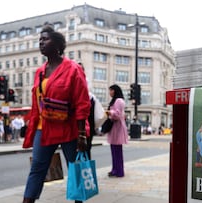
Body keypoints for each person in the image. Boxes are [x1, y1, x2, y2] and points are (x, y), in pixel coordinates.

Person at [22, 25, 90, 203]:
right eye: (40, 40)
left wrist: (82, 134)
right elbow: (37, 102)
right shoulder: (40, 71)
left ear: (58, 44)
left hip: (69, 128)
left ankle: (78, 201)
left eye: (45, 39)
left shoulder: (73, 69)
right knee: (37, 167)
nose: (41, 42)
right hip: (43, 128)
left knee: (75, 169)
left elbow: (82, 103)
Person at [105, 84, 128, 177]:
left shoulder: (119, 101)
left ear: (115, 91)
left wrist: (109, 112)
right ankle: (115, 169)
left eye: (111, 90)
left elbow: (118, 114)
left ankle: (119, 171)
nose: (110, 92)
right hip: (114, 127)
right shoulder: (115, 100)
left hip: (117, 128)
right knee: (114, 150)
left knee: (117, 151)